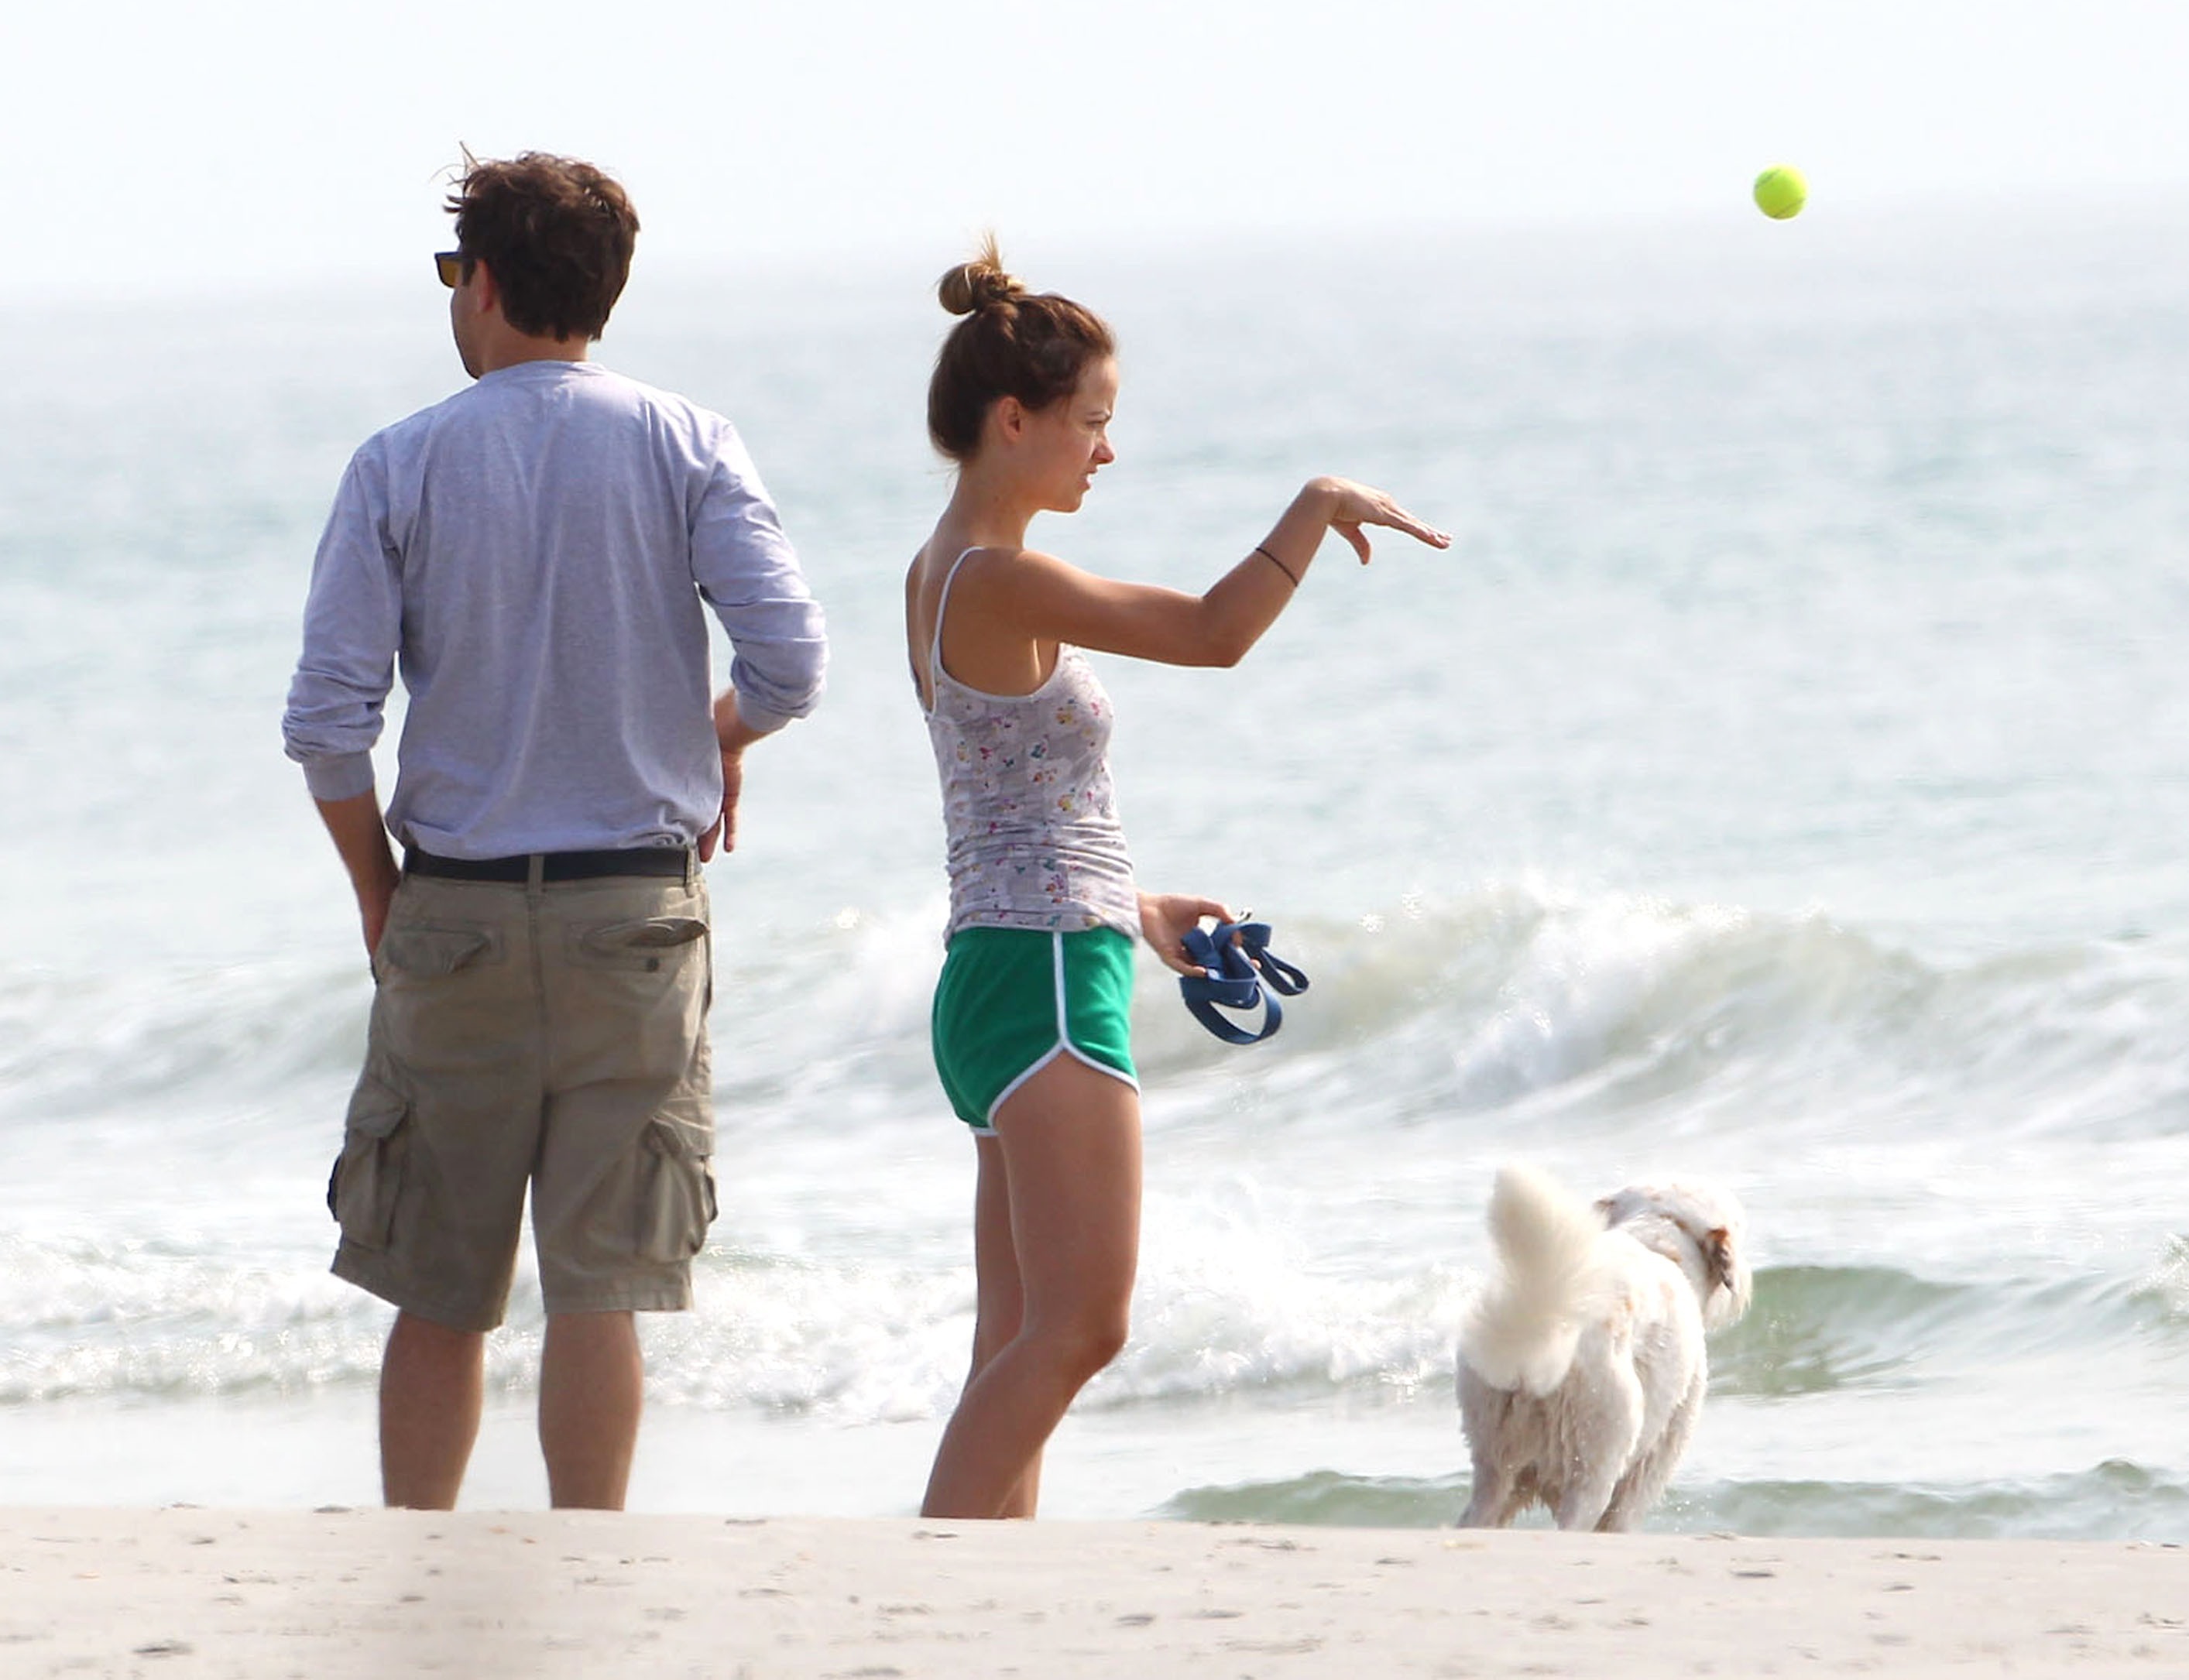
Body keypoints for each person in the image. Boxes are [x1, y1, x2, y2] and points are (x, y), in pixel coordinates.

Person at [281, 151, 827, 1511]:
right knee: (601, 1290)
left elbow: (328, 721)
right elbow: (794, 659)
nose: (452, 299)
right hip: (634, 911)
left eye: (454, 271)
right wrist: (726, 735)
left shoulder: (400, 460)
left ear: (491, 281)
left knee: (437, 1285)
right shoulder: (689, 439)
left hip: (455, 903)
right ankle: (589, 1570)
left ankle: (421, 1564)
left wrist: (376, 885)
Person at [905, 240, 1450, 1519]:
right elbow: (1213, 634)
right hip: (1041, 979)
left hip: (1003, 967)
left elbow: (1004, 799)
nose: (1106, 450)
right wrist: (1315, 503)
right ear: (1014, 419)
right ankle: (924, 1580)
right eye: (1092, 422)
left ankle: (978, 1604)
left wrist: (1140, 909)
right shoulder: (1001, 574)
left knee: (1021, 1340)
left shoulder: (936, 571)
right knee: (1082, 1328)